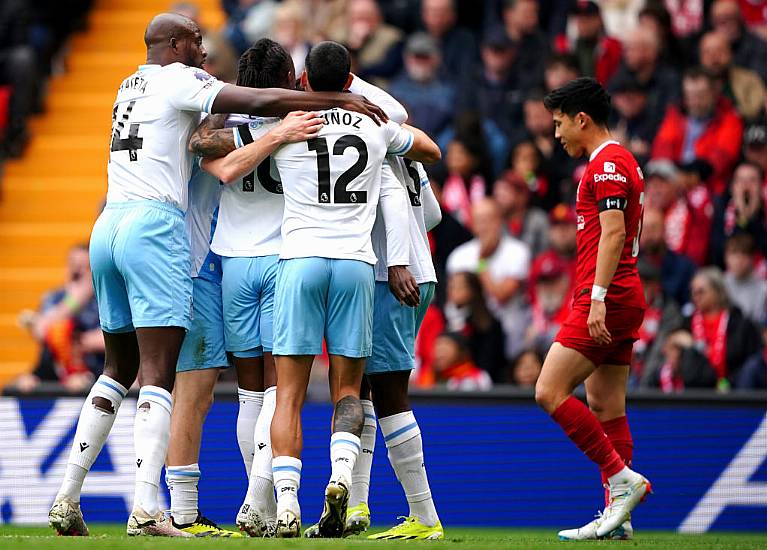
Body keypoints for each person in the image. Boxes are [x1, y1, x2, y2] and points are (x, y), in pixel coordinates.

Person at [48, 12, 388, 539]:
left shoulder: (127, 84)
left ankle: (69, 496)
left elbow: (212, 144)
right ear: (177, 44)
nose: (205, 56)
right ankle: (156, 506)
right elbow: (256, 105)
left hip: (111, 223)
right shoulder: (199, 87)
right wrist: (337, 99)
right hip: (186, 237)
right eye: (198, 45)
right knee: (173, 376)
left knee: (123, 368)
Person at [267, 41, 441, 538]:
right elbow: (423, 157)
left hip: (300, 260)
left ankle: (285, 508)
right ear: (350, 81)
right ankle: (346, 485)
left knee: (290, 396)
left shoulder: (288, 122)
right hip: (358, 264)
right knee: (352, 389)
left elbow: (225, 146)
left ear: (303, 81)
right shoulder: (376, 125)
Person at [164, 40, 325, 538]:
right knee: (282, 389)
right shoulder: (302, 126)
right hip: (284, 259)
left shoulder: (224, 132)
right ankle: (262, 502)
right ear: (289, 78)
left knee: (250, 393)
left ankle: (257, 501)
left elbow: (218, 160)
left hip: (233, 262)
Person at [311, 115, 446, 539]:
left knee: (389, 394)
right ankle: (358, 505)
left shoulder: (371, 150)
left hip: (392, 278)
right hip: (412, 273)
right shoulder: (404, 150)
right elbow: (435, 214)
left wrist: (393, 252)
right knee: (362, 390)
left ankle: (424, 517)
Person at [537, 77, 651, 541]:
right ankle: (617, 518)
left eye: (560, 123)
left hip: (606, 294)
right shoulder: (617, 161)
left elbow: (614, 232)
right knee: (606, 406)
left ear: (582, 118)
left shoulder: (606, 164)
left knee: (549, 390)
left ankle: (622, 481)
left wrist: (598, 298)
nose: (557, 133)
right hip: (621, 293)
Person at [447, 198, 531, 359]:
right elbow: (454, 301)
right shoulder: (459, 256)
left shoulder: (517, 251)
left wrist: (482, 263)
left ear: (499, 220)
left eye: (488, 220)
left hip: (509, 334)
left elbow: (502, 295)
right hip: (469, 334)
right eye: (478, 220)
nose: (484, 226)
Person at [15, 244, 104, 393]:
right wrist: (73, 301)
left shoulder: (104, 301)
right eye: (73, 266)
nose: (77, 272)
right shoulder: (54, 297)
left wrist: (78, 342)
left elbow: (119, 339)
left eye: (84, 267)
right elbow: (42, 331)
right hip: (55, 372)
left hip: (96, 374)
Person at [651, 67, 743, 196]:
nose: (695, 102)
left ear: (713, 93)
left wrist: (689, 175)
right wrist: (670, 174)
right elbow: (661, 149)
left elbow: (721, 158)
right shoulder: (675, 115)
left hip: (710, 188)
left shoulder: (729, 118)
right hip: (672, 183)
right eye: (690, 96)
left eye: (701, 96)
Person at [443, 271, 506, 381]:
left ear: (472, 290)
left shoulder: (487, 324)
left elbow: (488, 363)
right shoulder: (444, 318)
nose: (451, 290)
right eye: (451, 286)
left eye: (458, 286)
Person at [699, 30, 766, 122]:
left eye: (719, 51)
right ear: (701, 57)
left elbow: (757, 110)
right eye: (708, 52)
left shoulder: (749, 79)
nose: (714, 58)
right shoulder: (692, 84)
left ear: (730, 54)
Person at [723, 234, 767, 324]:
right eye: (734, 254)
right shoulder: (719, 285)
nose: (738, 260)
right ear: (726, 257)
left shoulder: (764, 289)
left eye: (744, 254)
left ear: (752, 258)